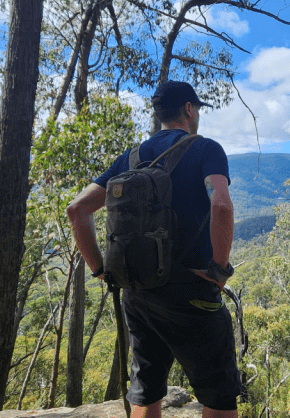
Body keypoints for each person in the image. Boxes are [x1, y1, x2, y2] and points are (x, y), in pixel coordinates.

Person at [66, 80, 241, 418]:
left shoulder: (131, 158)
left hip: (138, 292)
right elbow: (221, 206)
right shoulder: (206, 149)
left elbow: (77, 211)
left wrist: (101, 269)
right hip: (192, 291)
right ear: (189, 109)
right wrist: (219, 270)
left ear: (159, 114)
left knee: (146, 393)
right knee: (219, 396)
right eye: (197, 109)